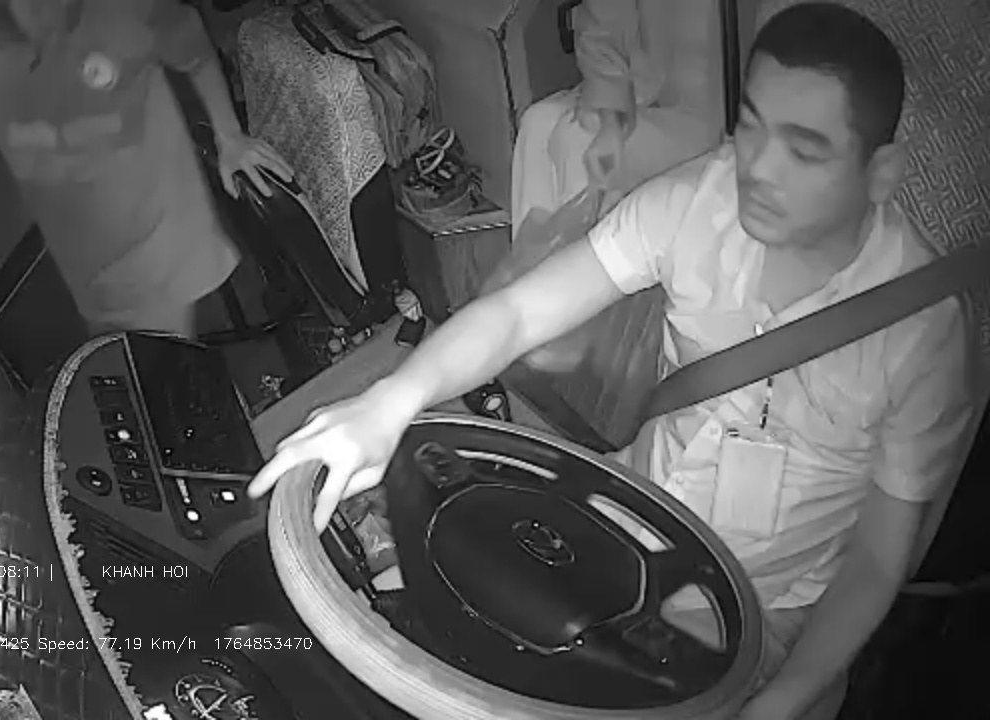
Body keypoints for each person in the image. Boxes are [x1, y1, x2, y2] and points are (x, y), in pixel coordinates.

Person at [248, 4, 974, 719]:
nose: (758, 168)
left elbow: (880, 560)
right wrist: (389, 403)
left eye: (805, 151)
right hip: (631, 515)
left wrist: (782, 702)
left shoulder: (925, 332)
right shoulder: (699, 200)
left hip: (767, 609)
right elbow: (519, 313)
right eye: (751, 125)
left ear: (881, 174)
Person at [0, 0, 293, 338]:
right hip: (80, 250)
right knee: (117, 352)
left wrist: (229, 137)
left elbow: (193, 49)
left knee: (163, 365)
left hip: (156, 234)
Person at [511, 0, 748, 235]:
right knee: (537, 123)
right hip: (639, 86)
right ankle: (534, 258)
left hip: (713, 111)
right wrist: (611, 119)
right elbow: (602, 30)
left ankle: (587, 255)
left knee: (577, 140)